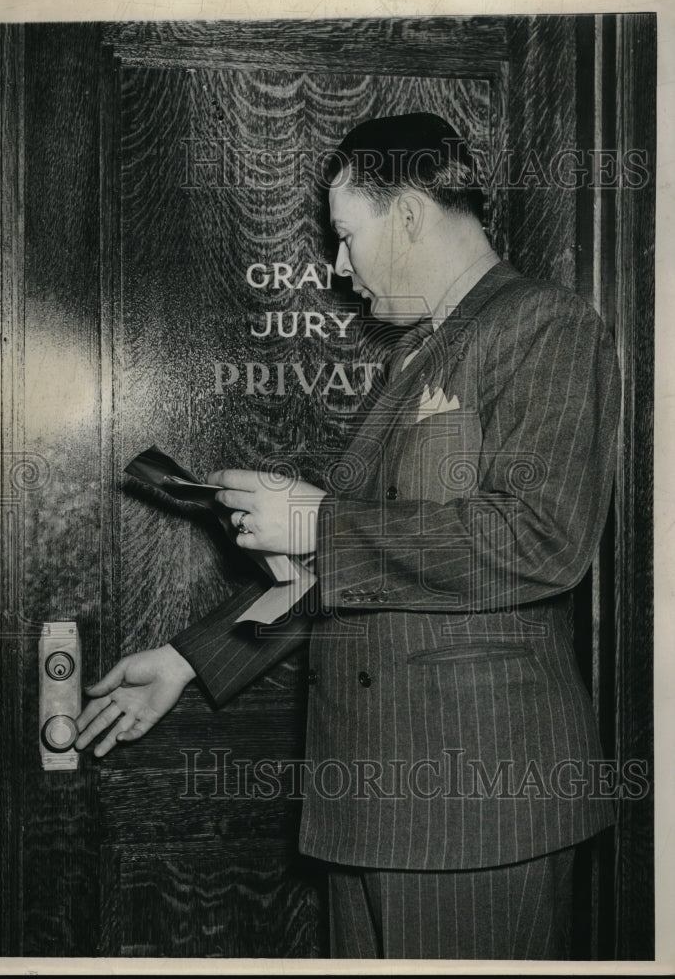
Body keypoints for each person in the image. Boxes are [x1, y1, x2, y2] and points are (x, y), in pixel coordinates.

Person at [75, 112, 621, 960]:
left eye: (345, 236)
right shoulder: (415, 356)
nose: (339, 267)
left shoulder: (545, 325)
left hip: (474, 806)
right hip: (371, 803)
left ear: (405, 214)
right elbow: (370, 568)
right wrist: (191, 661)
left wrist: (319, 520)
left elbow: (541, 538)